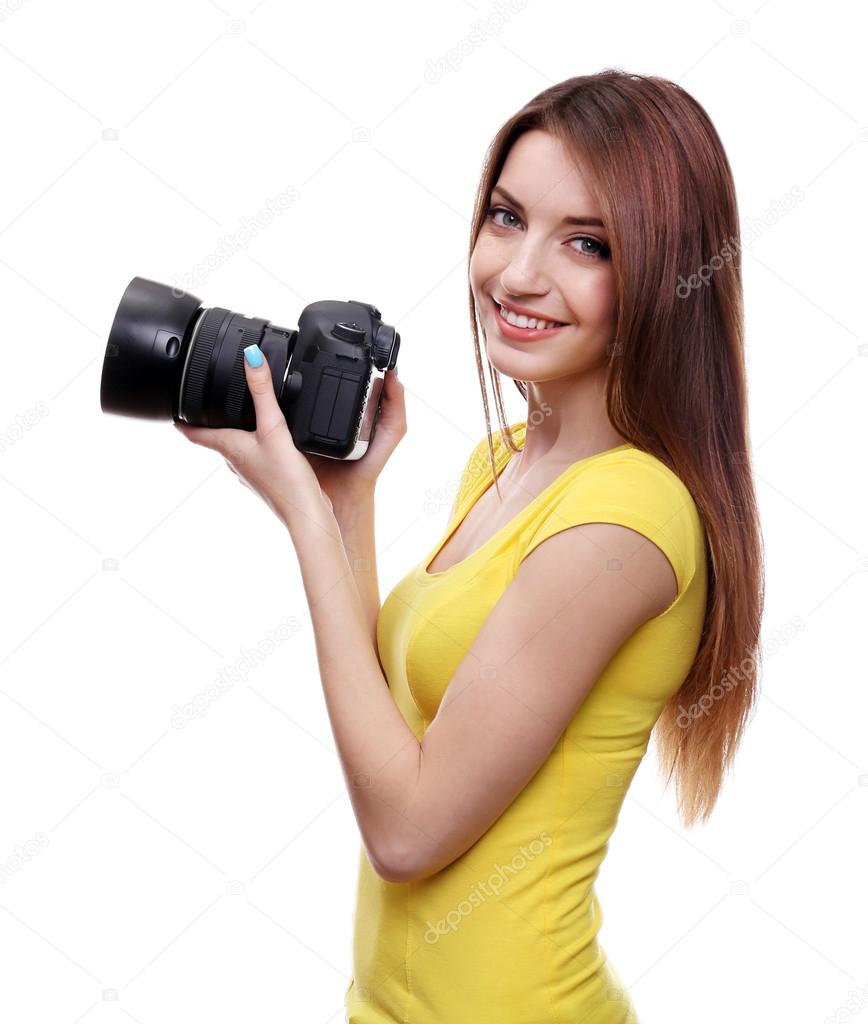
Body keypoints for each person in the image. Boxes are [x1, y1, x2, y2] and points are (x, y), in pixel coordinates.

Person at [176, 69, 765, 1024]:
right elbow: (398, 730)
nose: (519, 273)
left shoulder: (625, 521)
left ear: (664, 272)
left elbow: (406, 831)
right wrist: (345, 499)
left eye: (587, 243)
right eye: (505, 217)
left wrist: (300, 522)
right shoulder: (505, 462)